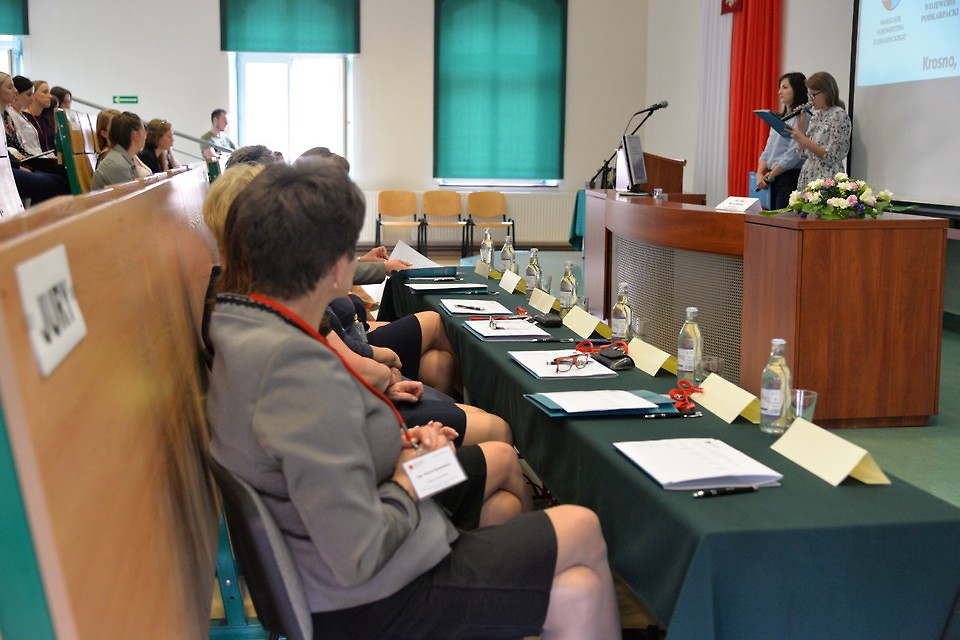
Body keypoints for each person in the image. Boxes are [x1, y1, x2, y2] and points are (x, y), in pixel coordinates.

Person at [206, 160, 620, 639]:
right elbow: (358, 550)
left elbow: (324, 469)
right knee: (581, 526)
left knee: (572, 584)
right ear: (335, 267)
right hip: (370, 595)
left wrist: (407, 451)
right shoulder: (295, 370)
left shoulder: (248, 330)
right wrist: (411, 476)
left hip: (356, 560)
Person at [0, 72, 69, 204]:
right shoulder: (10, 115)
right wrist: (19, 165)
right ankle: (38, 216)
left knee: (60, 176)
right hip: (8, 167)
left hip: (15, 162)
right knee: (52, 182)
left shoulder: (7, 115)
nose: (15, 91)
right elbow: (5, 150)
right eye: (10, 87)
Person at [791, 71, 852, 189]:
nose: (810, 100)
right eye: (808, 95)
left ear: (827, 92)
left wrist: (804, 140)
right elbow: (803, 154)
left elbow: (831, 156)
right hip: (809, 176)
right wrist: (801, 126)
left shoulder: (838, 115)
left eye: (813, 95)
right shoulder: (816, 115)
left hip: (826, 177)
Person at [756, 72, 807, 209]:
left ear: (797, 90)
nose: (780, 92)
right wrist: (760, 173)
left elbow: (793, 156)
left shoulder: (802, 118)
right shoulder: (780, 118)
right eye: (780, 88)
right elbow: (767, 151)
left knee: (782, 218)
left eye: (785, 87)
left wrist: (770, 175)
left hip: (787, 178)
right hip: (771, 178)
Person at [91, 111, 147, 190]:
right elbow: (132, 196)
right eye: (144, 131)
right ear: (135, 135)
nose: (145, 136)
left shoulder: (122, 158)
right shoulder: (118, 164)